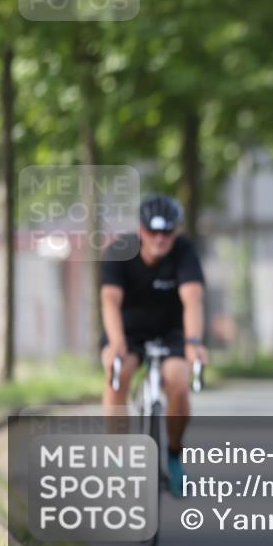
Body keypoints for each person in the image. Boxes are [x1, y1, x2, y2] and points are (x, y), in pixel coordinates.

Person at [100, 193, 208, 497]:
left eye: (167, 232)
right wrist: (116, 342)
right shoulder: (120, 250)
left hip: (172, 331)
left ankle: (174, 454)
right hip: (128, 331)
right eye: (153, 232)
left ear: (176, 231)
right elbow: (109, 300)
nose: (160, 239)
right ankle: (119, 465)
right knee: (117, 376)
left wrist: (194, 341)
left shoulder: (185, 252)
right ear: (141, 230)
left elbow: (192, 298)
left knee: (178, 381)